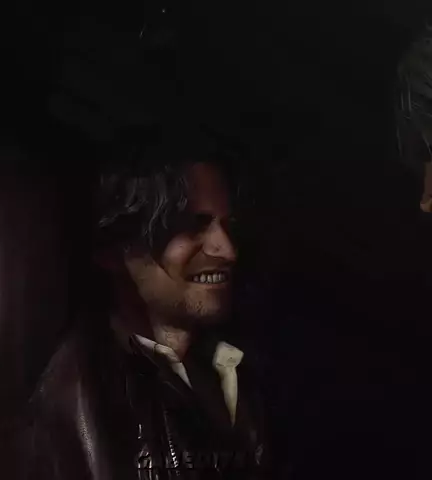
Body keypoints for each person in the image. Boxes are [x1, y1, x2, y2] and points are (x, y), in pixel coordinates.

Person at [14, 123, 279, 480]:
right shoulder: (87, 396)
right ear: (114, 249)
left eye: (226, 225)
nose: (227, 250)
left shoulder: (237, 368)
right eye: (191, 225)